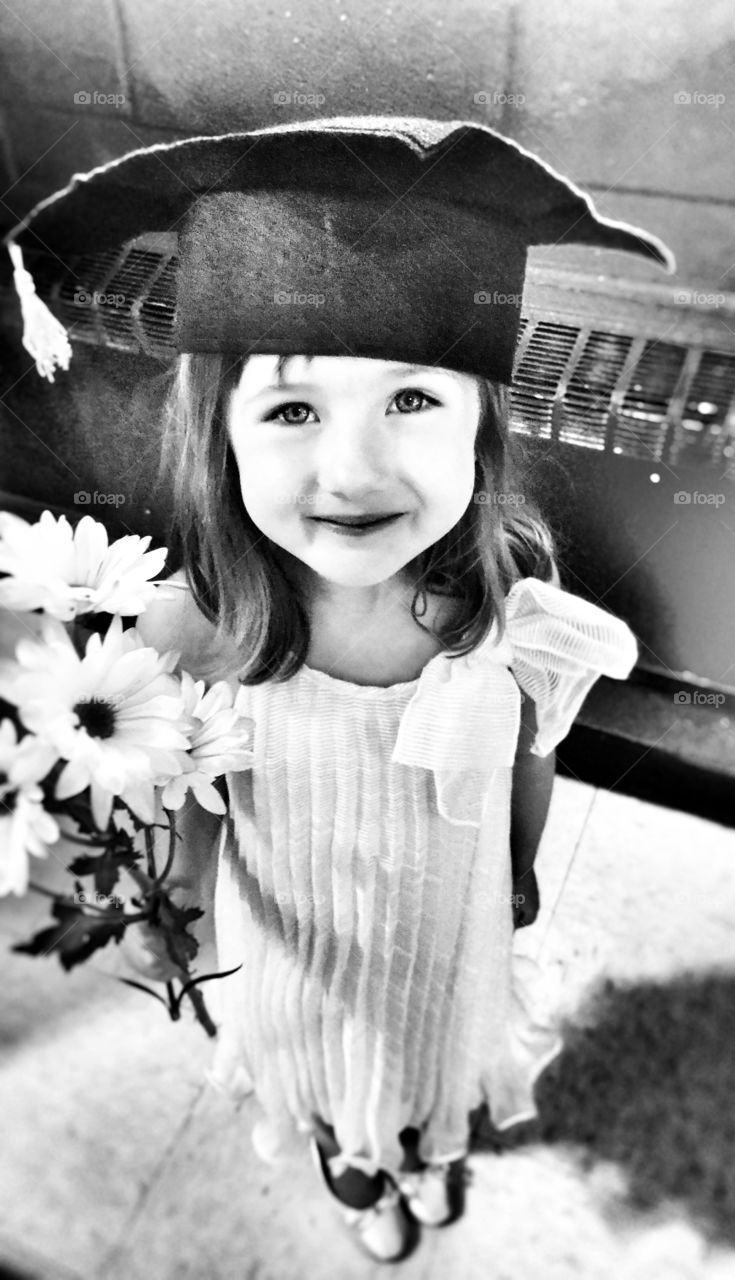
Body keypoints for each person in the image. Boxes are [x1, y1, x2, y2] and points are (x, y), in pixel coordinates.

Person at [4, 115, 673, 1262]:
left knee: (429, 1067)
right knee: (332, 1078)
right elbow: (191, 797)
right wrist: (178, 912)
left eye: (412, 401)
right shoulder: (201, 625)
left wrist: (515, 863)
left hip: (442, 932)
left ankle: (427, 1149)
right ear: (219, 435)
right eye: (292, 409)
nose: (353, 470)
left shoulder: (508, 609)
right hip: (293, 943)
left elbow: (528, 749)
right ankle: (358, 1164)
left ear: (484, 423)